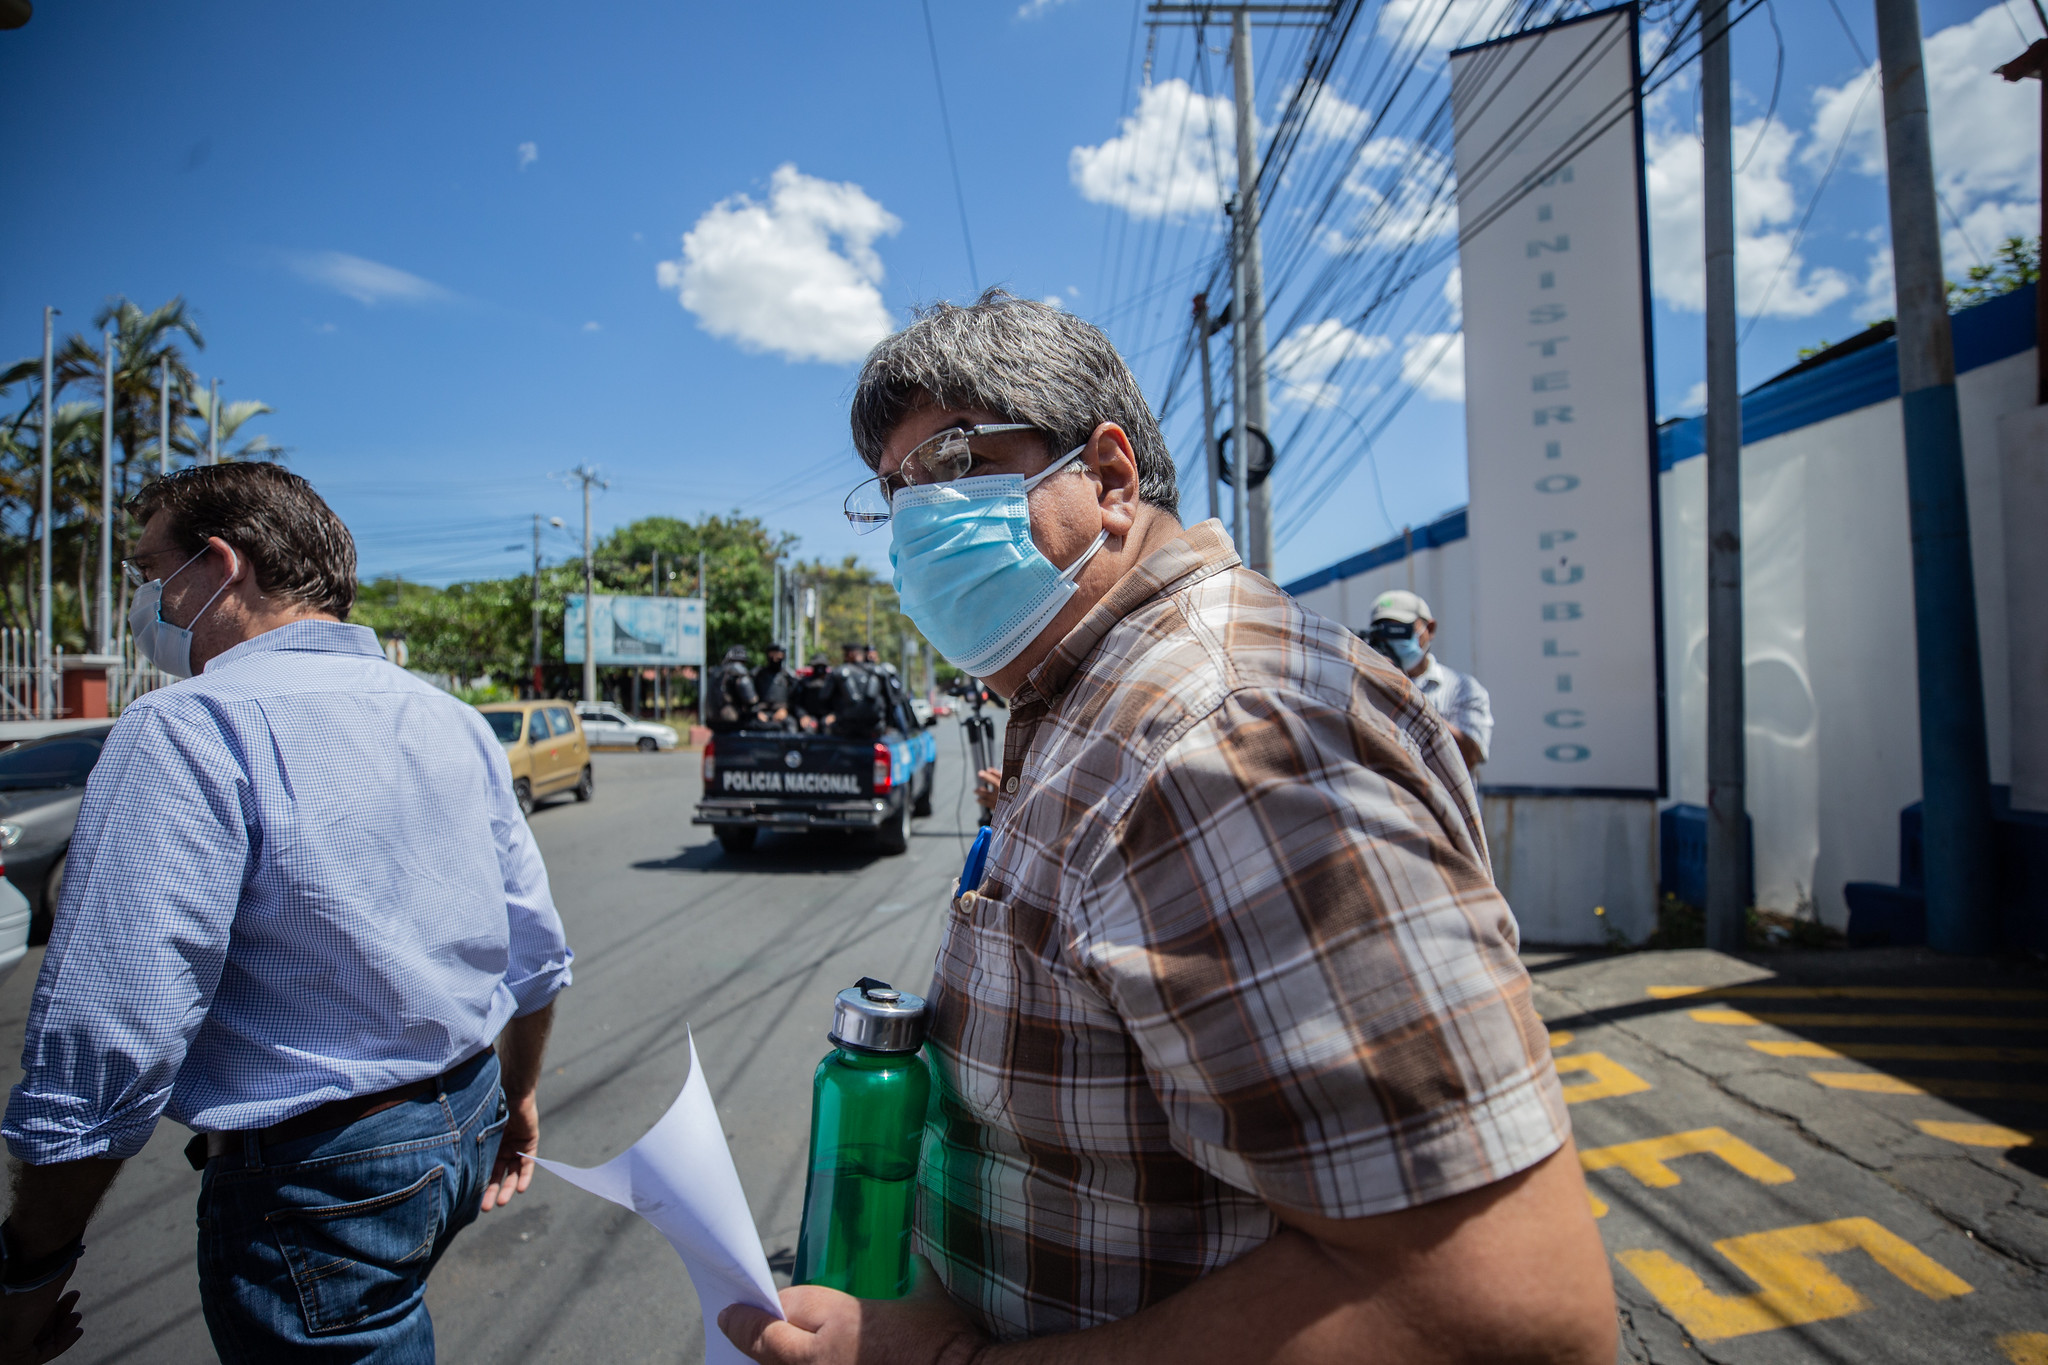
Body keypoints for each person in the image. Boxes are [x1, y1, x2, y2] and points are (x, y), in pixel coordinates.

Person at [720, 291, 1614, 1365]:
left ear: (1106, 478)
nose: (917, 518)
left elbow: (1492, 1318)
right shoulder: (1082, 691)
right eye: (893, 492)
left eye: (952, 464)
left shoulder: (1220, 734)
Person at [0, 462, 573, 1364]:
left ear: (218, 565)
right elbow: (535, 956)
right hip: (463, 1126)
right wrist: (520, 1094)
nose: (145, 602)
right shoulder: (450, 718)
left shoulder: (187, 726)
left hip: (322, 1179)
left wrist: (27, 1271)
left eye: (151, 575)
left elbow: (111, 1044)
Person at [1364, 590, 1493, 774]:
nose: (1391, 641)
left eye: (1400, 630)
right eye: (1382, 633)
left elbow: (1469, 757)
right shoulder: (1365, 684)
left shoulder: (1464, 689)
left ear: (1429, 629)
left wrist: (1405, 693)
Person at [829, 642, 889, 739]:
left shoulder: (838, 672)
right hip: (874, 729)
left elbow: (823, 698)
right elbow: (891, 701)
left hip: (844, 729)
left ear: (850, 655)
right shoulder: (878, 672)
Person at [708, 644, 759, 733]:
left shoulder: (716, 671)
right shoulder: (738, 670)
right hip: (731, 721)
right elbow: (751, 699)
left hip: (712, 722)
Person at [753, 643, 797, 730]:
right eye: (773, 654)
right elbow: (749, 696)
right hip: (762, 713)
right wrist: (756, 712)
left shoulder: (788, 677)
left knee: (791, 724)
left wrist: (785, 710)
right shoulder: (758, 674)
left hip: (782, 714)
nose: (775, 658)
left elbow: (795, 698)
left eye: (778, 655)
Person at [794, 653, 839, 733]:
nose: (820, 669)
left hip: (828, 716)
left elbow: (839, 702)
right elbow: (797, 703)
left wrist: (834, 715)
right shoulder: (804, 683)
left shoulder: (832, 682)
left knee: (828, 728)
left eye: (822, 665)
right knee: (808, 729)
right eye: (817, 666)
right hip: (810, 716)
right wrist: (803, 715)